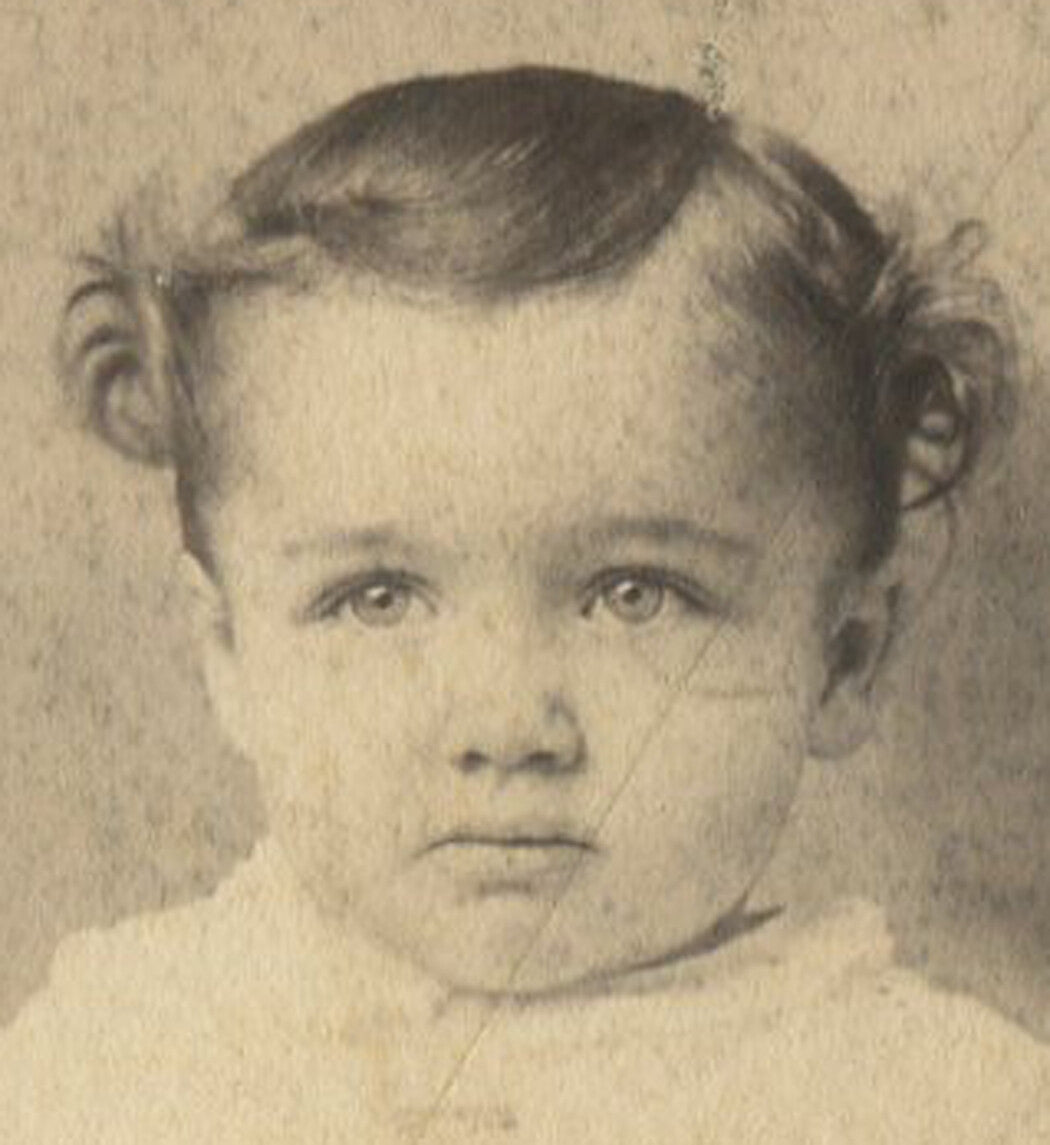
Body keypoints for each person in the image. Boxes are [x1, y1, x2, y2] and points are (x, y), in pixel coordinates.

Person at [3, 66, 1045, 1142]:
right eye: (376, 597)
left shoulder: (938, 1101)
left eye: (635, 594)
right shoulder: (120, 1057)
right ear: (226, 650)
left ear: (845, 655)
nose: (506, 729)